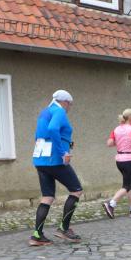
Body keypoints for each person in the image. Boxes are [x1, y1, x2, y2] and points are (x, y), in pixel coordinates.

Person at [29, 90, 83, 246]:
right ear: (65, 102)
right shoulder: (59, 111)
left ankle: (37, 235)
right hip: (55, 160)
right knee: (76, 190)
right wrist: (62, 152)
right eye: (70, 105)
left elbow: (39, 136)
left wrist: (66, 143)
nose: (69, 108)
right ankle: (63, 229)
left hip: (40, 160)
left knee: (47, 197)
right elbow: (53, 129)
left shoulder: (45, 112)